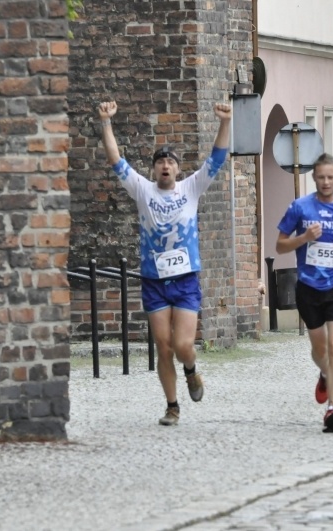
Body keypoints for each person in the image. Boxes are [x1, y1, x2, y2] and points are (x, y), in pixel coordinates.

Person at [97, 100, 232, 426]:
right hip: (154, 280)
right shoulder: (142, 190)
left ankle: (192, 371)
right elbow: (116, 161)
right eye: (160, 163)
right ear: (154, 170)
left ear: (178, 169)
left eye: (170, 162)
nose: (165, 167)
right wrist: (106, 122)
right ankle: (172, 405)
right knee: (163, 345)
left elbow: (216, 159)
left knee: (184, 344)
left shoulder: (191, 189)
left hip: (185, 280)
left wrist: (225, 122)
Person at [276, 153, 333, 432]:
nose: (326, 182)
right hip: (309, 287)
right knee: (319, 348)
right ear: (313, 178)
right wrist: (304, 238)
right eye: (321, 177)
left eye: (331, 177)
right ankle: (325, 372)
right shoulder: (300, 207)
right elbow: (280, 246)